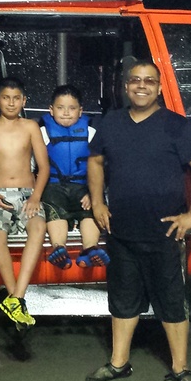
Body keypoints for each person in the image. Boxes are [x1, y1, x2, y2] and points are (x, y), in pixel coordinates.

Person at [86, 60, 191, 381]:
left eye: (149, 81)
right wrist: (98, 202)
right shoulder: (111, 123)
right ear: (126, 86)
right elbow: (95, 161)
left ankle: (181, 368)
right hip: (121, 231)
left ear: (159, 87)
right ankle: (118, 363)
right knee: (123, 300)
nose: (141, 86)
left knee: (171, 301)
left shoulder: (175, 125)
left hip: (165, 233)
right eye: (135, 80)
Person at [0, 77, 50, 330]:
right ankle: (15, 300)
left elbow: (43, 168)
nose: (11, 103)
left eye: (17, 98)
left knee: (38, 228)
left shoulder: (31, 126)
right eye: (6, 98)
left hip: (27, 194)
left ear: (24, 101)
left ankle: (17, 297)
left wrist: (35, 197)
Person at [40, 85, 108, 269]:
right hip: (54, 186)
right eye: (60, 108)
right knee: (55, 209)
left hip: (84, 187)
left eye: (72, 108)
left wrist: (94, 195)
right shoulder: (42, 131)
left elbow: (102, 165)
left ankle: (90, 249)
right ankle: (59, 248)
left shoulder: (92, 130)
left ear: (81, 111)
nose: (66, 113)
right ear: (51, 110)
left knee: (90, 211)